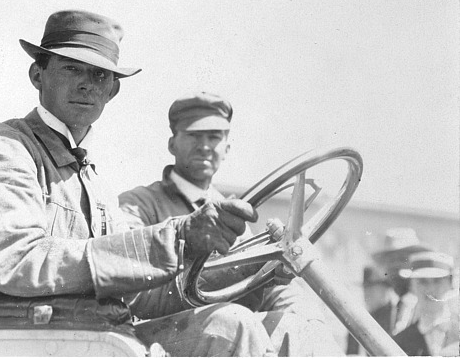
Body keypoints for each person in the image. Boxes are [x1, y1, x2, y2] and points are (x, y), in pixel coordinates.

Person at [0, 10, 276, 357]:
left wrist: (250, 265)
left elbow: (139, 297)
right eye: (71, 68)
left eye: (100, 75)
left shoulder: (95, 182)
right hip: (36, 343)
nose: (87, 83)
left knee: (242, 324)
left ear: (112, 91)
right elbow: (17, 261)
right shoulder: (3, 148)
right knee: (233, 327)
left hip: (92, 339)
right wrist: (176, 237)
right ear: (37, 74)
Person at [118, 92, 342, 356]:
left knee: (302, 324)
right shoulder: (138, 205)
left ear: (227, 148)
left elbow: (262, 286)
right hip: (155, 338)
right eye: (193, 135)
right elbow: (133, 291)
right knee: (232, 324)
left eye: (214, 137)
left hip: (219, 334)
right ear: (172, 144)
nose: (204, 146)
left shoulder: (235, 214)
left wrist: (302, 313)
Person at [393, 251, 459, 356]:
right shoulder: (398, 343)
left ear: (450, 284)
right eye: (423, 281)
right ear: (412, 286)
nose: (431, 289)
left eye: (437, 281)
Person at [346, 265, 402, 355]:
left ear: (386, 288)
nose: (366, 292)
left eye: (371, 287)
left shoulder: (401, 315)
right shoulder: (358, 321)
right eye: (365, 287)